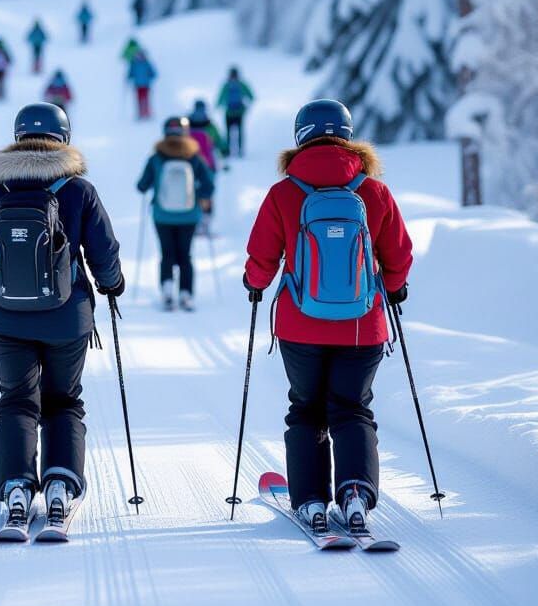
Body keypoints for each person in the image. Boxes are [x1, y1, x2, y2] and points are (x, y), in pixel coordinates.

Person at [243, 99, 412, 534]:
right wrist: (394, 287)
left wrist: (255, 283)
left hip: (300, 324)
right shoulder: (372, 190)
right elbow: (399, 253)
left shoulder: (284, 192)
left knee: (306, 410)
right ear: (348, 134)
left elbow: (262, 255)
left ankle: (312, 502)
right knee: (353, 409)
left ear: (301, 137)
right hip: (363, 325)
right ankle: (355, 493)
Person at [0, 103, 124, 531]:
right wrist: (112, 285)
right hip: (67, 318)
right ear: (63, 138)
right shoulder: (78, 189)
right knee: (64, 400)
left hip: (5, 318)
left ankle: (15, 487)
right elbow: (104, 252)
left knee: (15, 399)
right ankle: (60, 487)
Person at [137, 116, 214, 311]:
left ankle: (167, 291)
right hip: (189, 214)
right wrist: (200, 197)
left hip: (162, 215)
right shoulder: (194, 157)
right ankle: (186, 294)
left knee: (167, 253)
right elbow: (209, 185)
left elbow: (141, 185)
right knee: (185, 255)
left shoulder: (156, 158)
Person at [217, 66, 254, 158]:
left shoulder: (226, 85)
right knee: (240, 132)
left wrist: (218, 105)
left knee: (228, 132)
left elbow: (220, 98)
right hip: (240, 112)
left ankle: (228, 151)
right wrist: (246, 105)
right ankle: (240, 151)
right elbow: (251, 96)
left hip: (229, 113)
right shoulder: (241, 85)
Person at [188, 99, 229, 173]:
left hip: (189, 156)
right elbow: (218, 139)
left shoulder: (186, 122)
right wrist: (224, 150)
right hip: (207, 158)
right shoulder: (210, 124)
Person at [127, 49, 157, 120]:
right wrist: (129, 77)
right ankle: (140, 113)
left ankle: (147, 113)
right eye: (138, 56)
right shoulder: (134, 64)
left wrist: (150, 76)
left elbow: (153, 73)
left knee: (146, 99)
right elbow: (131, 73)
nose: (139, 57)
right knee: (139, 100)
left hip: (146, 85)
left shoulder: (147, 64)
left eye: (140, 56)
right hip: (137, 85)